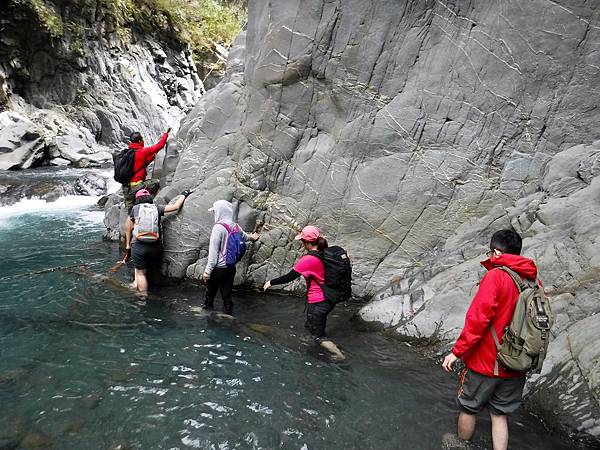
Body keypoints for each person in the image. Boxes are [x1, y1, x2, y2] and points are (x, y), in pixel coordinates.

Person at [441, 229, 538, 450]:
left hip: (487, 362)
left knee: (468, 407)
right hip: (517, 363)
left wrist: (456, 352)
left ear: (496, 252)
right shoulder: (532, 281)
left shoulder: (496, 276)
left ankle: (460, 446)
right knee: (500, 415)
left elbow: (478, 320)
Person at [263, 225, 344, 359]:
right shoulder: (326, 252)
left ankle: (339, 355)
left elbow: (289, 277)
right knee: (312, 327)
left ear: (307, 243)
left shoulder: (309, 259)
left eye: (302, 242)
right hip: (328, 298)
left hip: (318, 301)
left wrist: (270, 283)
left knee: (319, 336)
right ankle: (318, 349)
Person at [123, 188, 190, 299]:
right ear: (149, 198)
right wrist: (184, 194)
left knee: (140, 272)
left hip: (139, 245)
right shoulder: (157, 208)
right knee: (149, 269)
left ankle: (143, 296)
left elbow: (128, 226)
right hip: (155, 246)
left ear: (137, 199)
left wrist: (128, 245)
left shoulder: (135, 209)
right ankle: (138, 284)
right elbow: (176, 207)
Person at [202, 200, 259, 315]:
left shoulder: (218, 228)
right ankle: (229, 317)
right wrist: (253, 237)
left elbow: (213, 253)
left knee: (210, 296)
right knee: (227, 295)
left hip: (218, 269)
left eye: (215, 211)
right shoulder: (235, 226)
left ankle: (208, 320)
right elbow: (245, 237)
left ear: (220, 212)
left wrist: (207, 272)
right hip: (231, 267)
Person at [122, 128, 170, 211]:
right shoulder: (142, 151)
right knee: (157, 183)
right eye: (142, 139)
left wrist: (153, 156)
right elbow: (159, 146)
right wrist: (166, 133)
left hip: (126, 188)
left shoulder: (128, 153)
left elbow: (141, 163)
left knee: (130, 213)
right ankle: (156, 209)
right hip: (138, 186)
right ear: (140, 141)